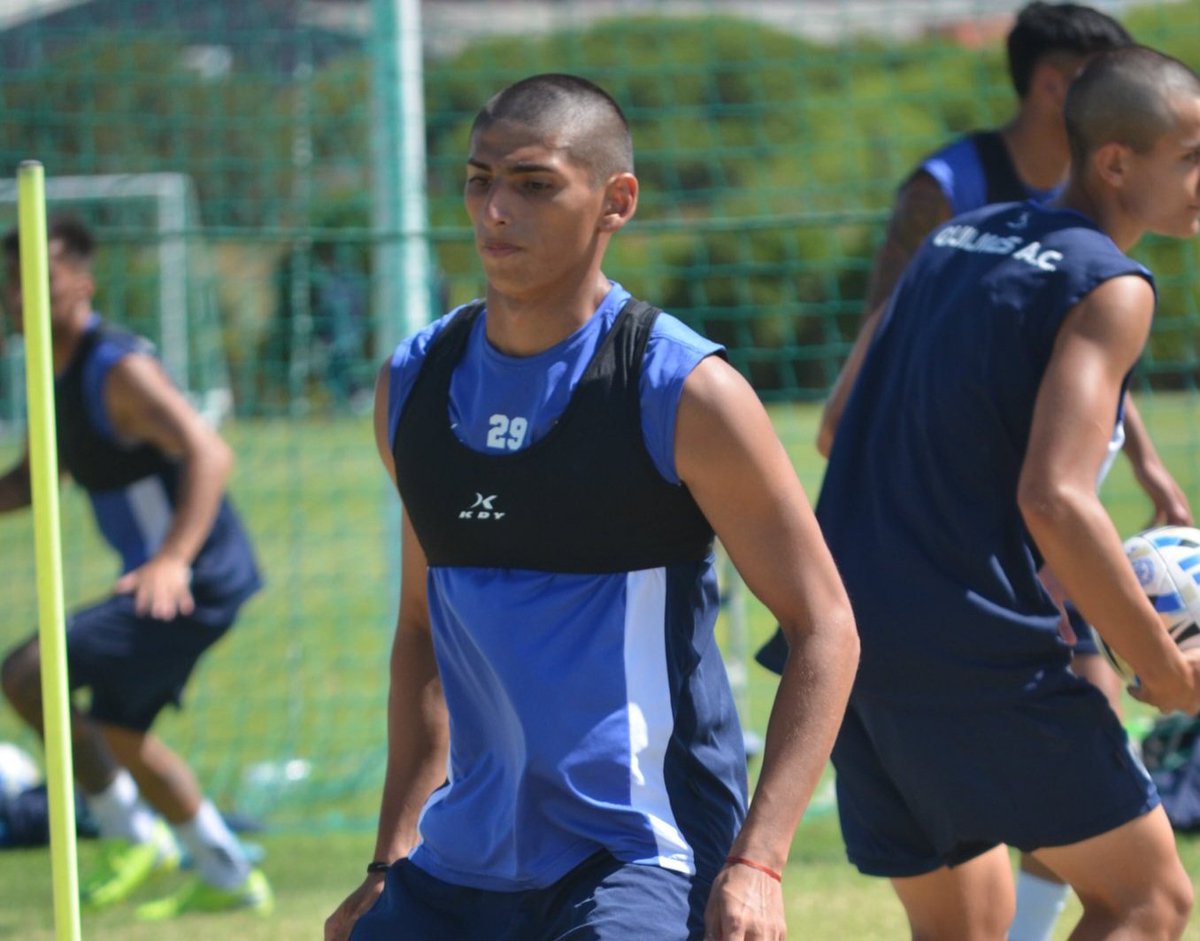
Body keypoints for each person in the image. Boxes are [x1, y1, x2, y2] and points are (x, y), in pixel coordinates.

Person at [324, 73, 859, 941]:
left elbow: (826, 625)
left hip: (638, 857)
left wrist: (758, 862)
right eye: (478, 179)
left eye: (533, 184)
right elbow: (422, 632)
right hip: (458, 863)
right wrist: (390, 860)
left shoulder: (683, 391)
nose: (496, 209)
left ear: (616, 202)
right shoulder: (413, 385)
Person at [765, 10, 1184, 934]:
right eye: (1193, 156)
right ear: (1117, 162)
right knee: (1150, 899)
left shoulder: (958, 238)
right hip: (973, 648)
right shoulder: (1110, 284)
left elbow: (838, 424)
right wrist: (1163, 668)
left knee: (966, 926)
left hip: (848, 642)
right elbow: (1056, 498)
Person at [0, 217, 273, 919]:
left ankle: (128, 833)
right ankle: (228, 871)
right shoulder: (50, 372)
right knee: (121, 733)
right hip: (173, 580)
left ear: (82, 285)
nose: (20, 295)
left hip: (194, 577)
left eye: (40, 278)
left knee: (29, 672)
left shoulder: (115, 367)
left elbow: (209, 452)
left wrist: (172, 559)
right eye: (11, 281)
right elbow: (31, 481)